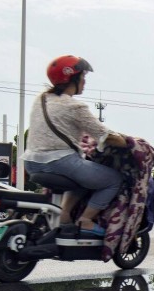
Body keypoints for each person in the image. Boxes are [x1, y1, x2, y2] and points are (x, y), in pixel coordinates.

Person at [22, 55, 128, 237]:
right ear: (72, 78)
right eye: (83, 77)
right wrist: (127, 141)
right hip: (59, 162)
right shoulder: (75, 107)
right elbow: (105, 135)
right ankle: (86, 220)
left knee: (84, 176)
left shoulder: (40, 99)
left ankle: (64, 216)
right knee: (113, 180)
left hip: (31, 163)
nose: (85, 81)